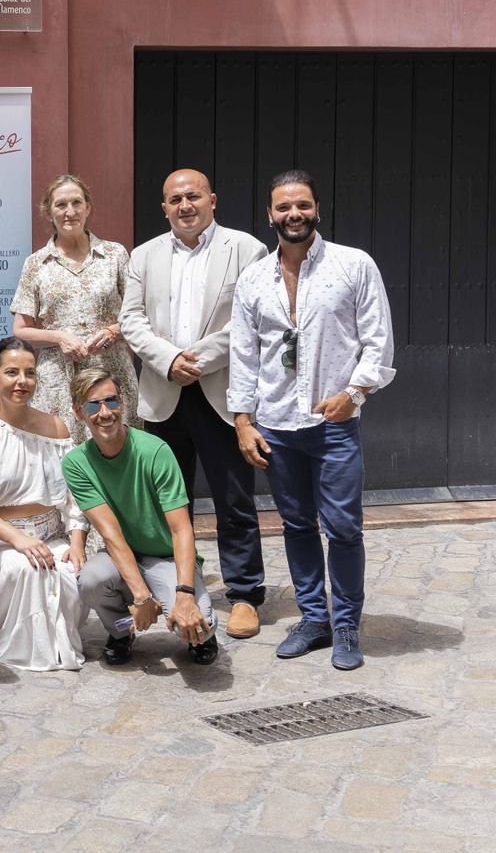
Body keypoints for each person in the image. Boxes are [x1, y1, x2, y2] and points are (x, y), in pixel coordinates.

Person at [229, 170, 395, 672]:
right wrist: (242, 420)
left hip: (334, 423)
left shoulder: (352, 265)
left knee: (343, 528)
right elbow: (243, 353)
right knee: (297, 525)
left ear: (317, 208)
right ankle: (313, 618)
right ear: (270, 214)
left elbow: (378, 339)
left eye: (302, 205)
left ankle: (345, 623)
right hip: (276, 423)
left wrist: (355, 392)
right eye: (283, 207)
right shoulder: (254, 278)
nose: (293, 215)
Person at [119, 168, 270, 639]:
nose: (185, 205)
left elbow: (253, 319)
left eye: (193, 196)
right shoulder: (143, 256)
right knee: (165, 502)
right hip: (164, 394)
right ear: (164, 207)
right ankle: (177, 587)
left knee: (234, 498)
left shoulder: (247, 250)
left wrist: (198, 360)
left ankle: (244, 594)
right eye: (175, 199)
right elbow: (131, 319)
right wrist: (169, 360)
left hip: (221, 392)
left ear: (212, 199)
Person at [0, 337, 89, 672]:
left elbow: (74, 494)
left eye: (29, 373)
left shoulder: (56, 427)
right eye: (11, 372)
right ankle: (24, 646)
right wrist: (18, 540)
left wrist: (76, 541)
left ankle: (58, 645)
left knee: (70, 575)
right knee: (29, 568)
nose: (21, 381)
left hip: (54, 537)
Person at [67, 370, 219, 666]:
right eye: (92, 405)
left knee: (199, 629)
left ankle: (195, 616)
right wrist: (141, 597)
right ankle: (121, 632)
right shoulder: (76, 463)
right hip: (122, 556)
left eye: (111, 401)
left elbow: (181, 531)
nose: (104, 412)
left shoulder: (155, 451)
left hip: (166, 557)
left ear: (122, 402)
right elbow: (111, 535)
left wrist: (185, 594)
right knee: (91, 580)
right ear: (78, 412)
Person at [13, 174, 140, 446]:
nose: (70, 212)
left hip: (111, 370)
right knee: (63, 450)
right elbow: (21, 329)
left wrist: (114, 330)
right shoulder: (36, 264)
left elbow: (137, 313)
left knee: (119, 449)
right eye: (61, 205)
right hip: (60, 378)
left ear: (88, 207)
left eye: (76, 203)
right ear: (48, 211)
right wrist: (60, 338)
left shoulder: (115, 255)